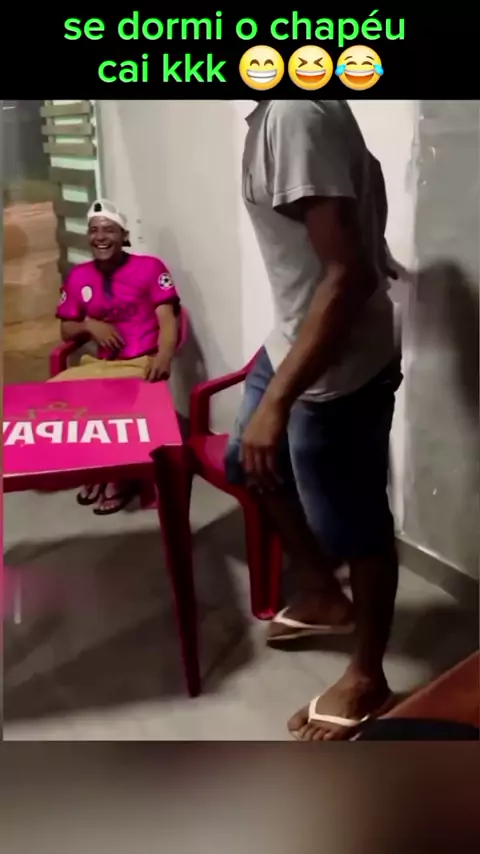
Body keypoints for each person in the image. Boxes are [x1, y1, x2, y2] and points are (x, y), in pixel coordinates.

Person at [224, 100, 402, 741]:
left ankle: (368, 676)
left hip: (337, 365)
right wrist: (375, 247)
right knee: (245, 461)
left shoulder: (293, 113)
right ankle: (324, 594)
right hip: (292, 340)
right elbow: (363, 179)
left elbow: (346, 274)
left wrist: (277, 403)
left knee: (356, 523)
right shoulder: (283, 105)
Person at [53, 199, 180, 514]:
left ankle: (120, 478)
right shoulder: (79, 276)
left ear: (124, 236)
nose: (100, 236)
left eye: (109, 230)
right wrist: (88, 325)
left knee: (113, 403)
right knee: (54, 395)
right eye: (94, 230)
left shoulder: (150, 268)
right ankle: (97, 467)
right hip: (102, 365)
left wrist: (164, 356)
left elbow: (168, 320)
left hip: (140, 362)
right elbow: (66, 331)